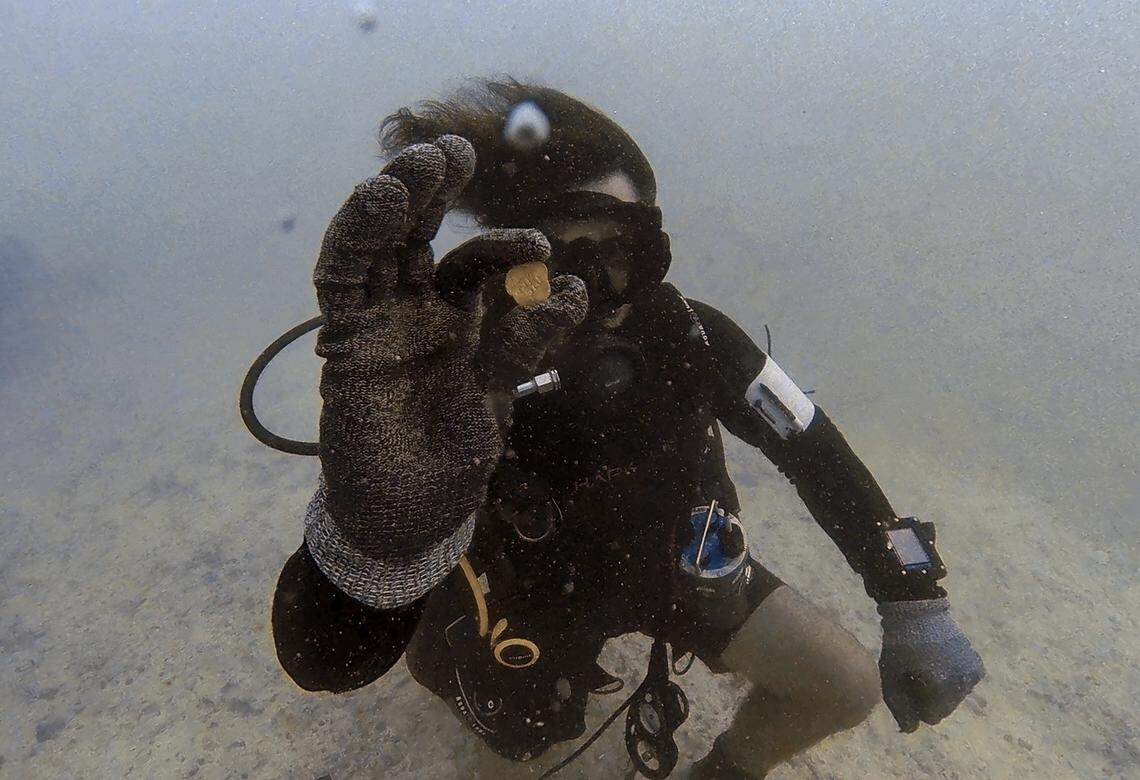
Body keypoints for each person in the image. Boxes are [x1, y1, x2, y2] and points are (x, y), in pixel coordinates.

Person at [268, 79, 985, 778]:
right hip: (520, 608)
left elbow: (811, 447)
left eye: (617, 250)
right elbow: (323, 661)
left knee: (845, 686)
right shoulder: (452, 372)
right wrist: (372, 552)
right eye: (559, 255)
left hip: (674, 571)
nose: (590, 288)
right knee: (522, 747)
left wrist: (910, 594)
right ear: (510, 254)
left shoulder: (693, 338)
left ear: (652, 249)